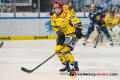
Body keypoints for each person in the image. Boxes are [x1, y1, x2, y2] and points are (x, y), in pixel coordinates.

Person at [51, 1, 83, 72]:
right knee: (57, 49)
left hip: (72, 35)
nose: (57, 10)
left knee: (65, 50)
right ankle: (66, 65)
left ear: (61, 8)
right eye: (56, 9)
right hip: (64, 36)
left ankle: (74, 65)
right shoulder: (53, 17)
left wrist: (78, 29)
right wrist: (59, 34)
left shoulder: (66, 14)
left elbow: (76, 20)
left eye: (59, 8)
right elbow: (54, 27)